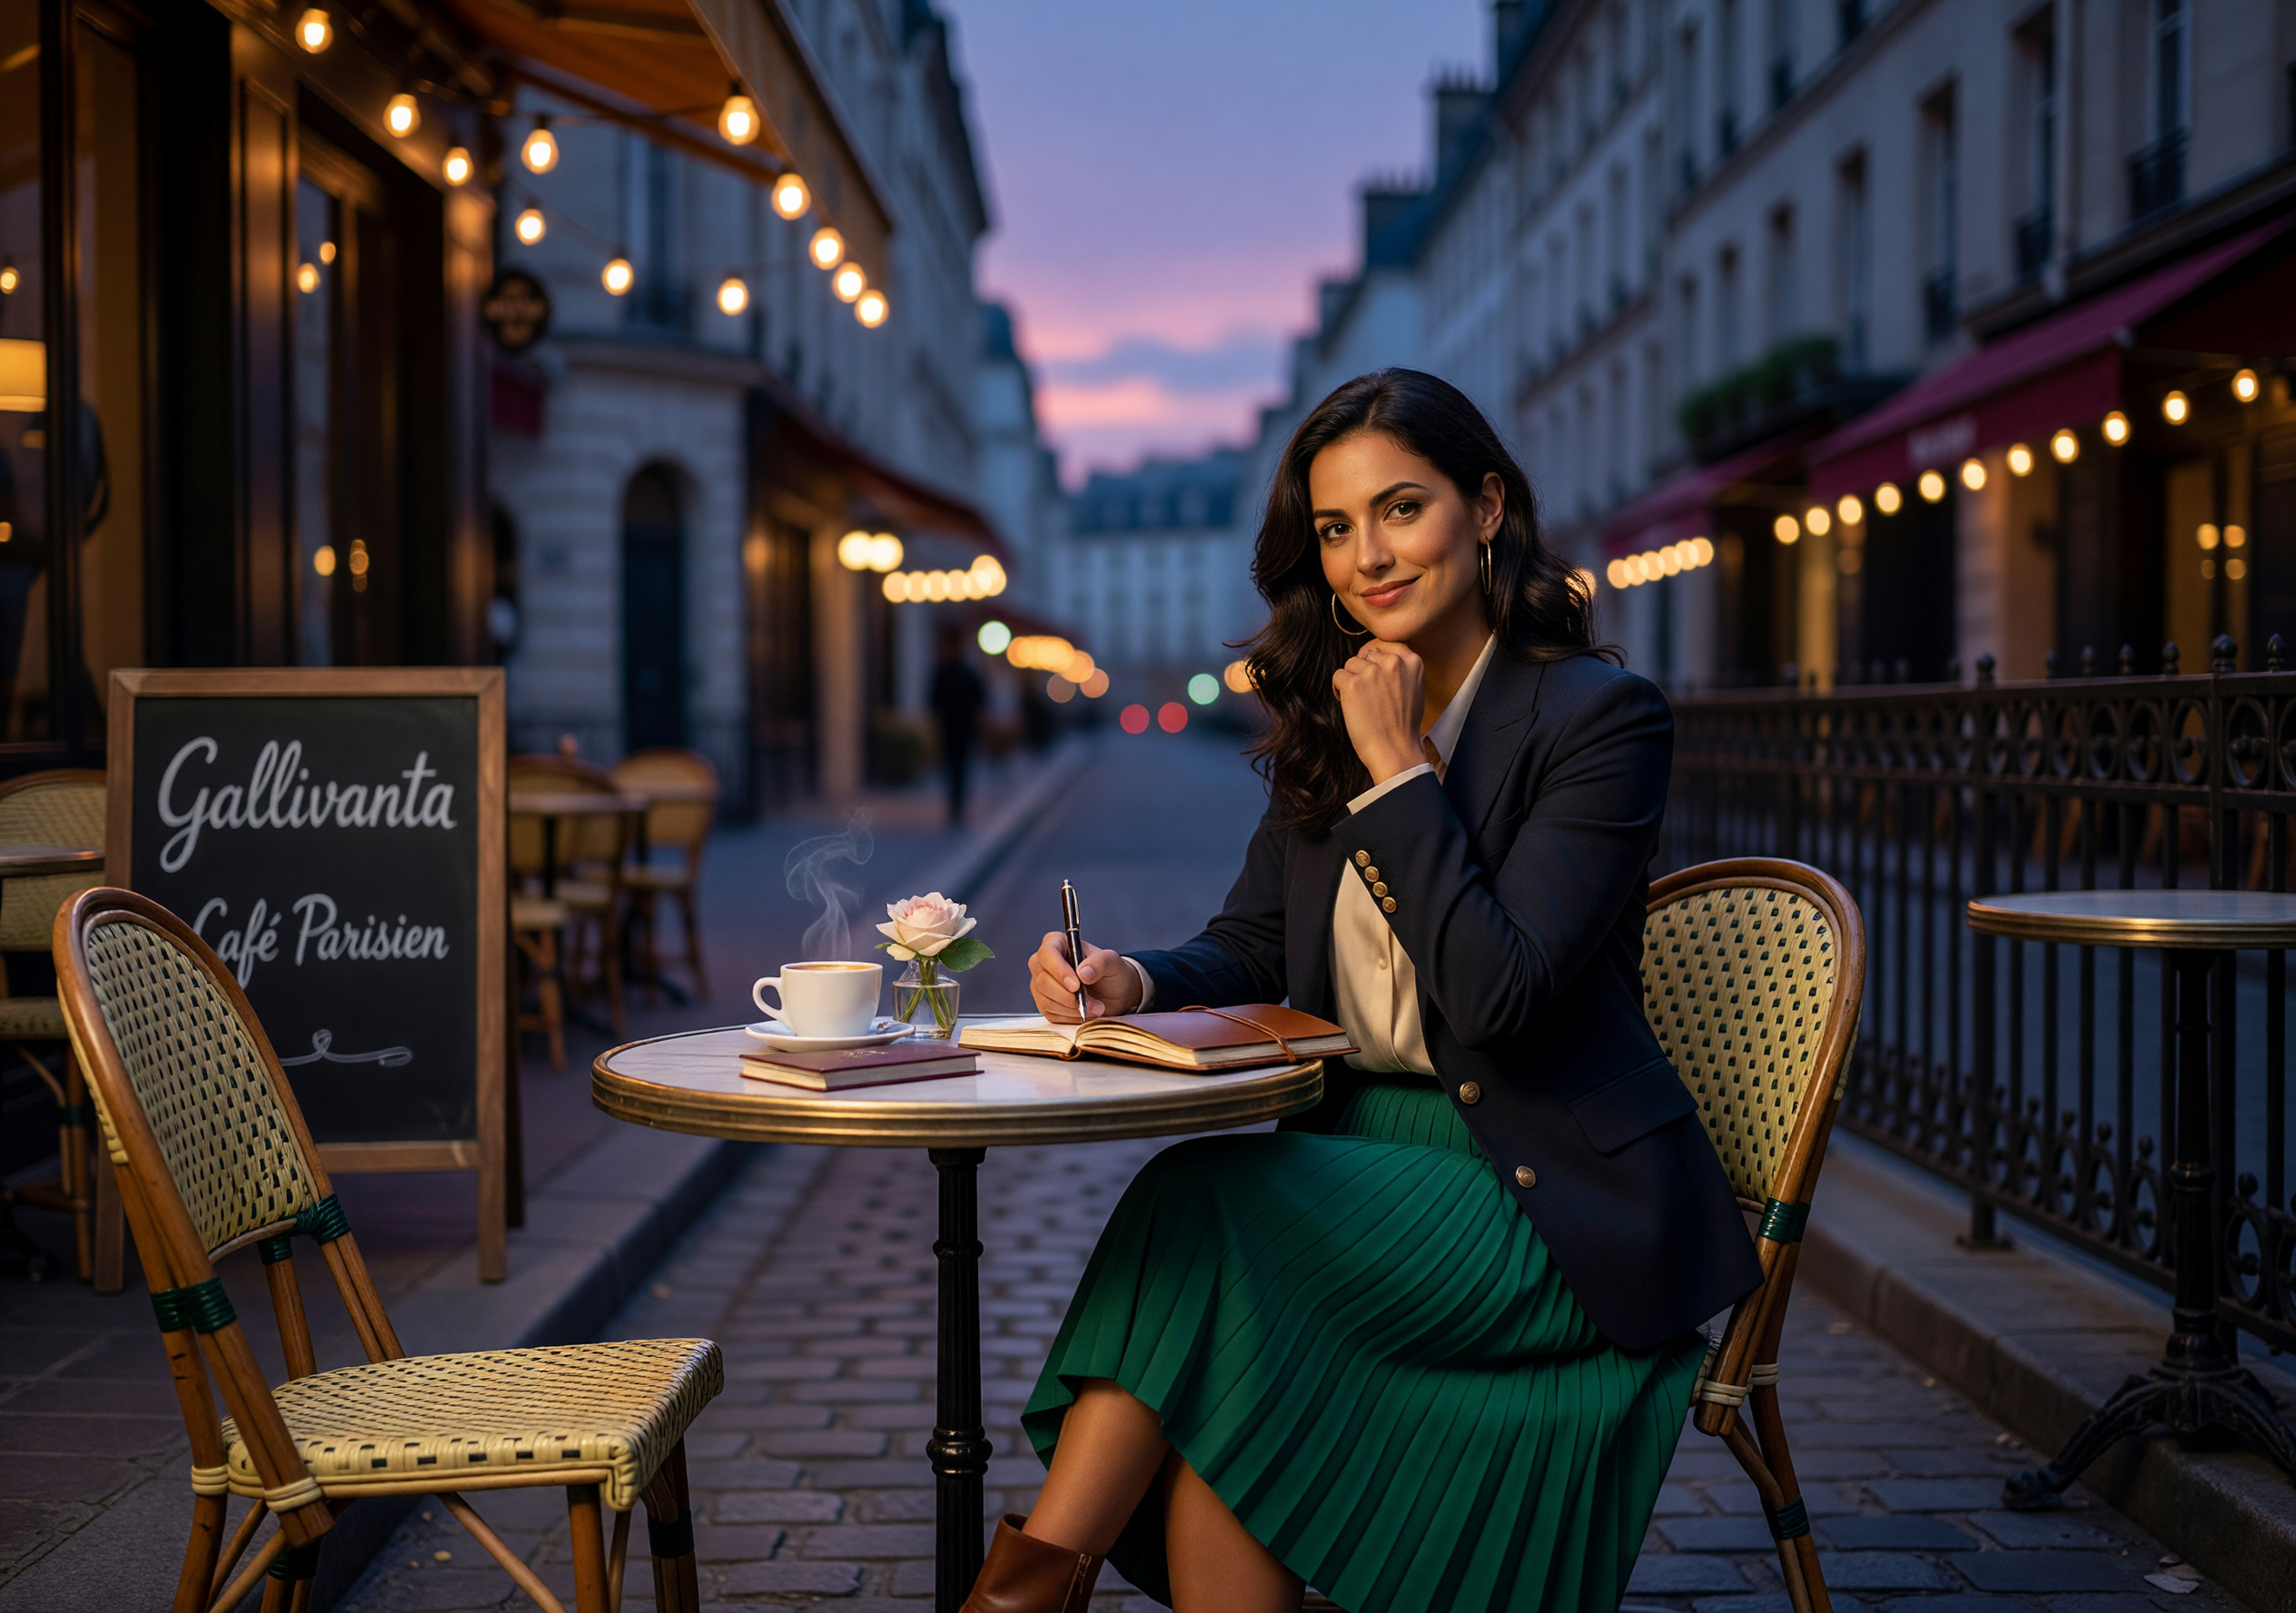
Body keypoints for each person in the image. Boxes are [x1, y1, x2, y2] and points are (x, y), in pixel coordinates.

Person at [967, 370, 1761, 1613]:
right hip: (1360, 1164)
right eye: (1335, 529)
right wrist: (1129, 979)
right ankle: (1024, 1597)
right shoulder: (1331, 724)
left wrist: (1400, 774)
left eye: (1399, 509)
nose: (1366, 558)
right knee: (1231, 1388)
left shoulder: (1599, 721)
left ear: (1485, 506)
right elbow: (1251, 944)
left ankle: (1017, 1597)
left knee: (1203, 1206)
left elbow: (1499, 995)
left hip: (1540, 1198)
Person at [930, 624, 986, 826]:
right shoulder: (951, 672)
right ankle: (955, 806)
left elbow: (933, 701)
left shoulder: (956, 672)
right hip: (954, 729)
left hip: (959, 729)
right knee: (955, 768)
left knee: (957, 768)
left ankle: (957, 806)